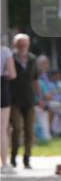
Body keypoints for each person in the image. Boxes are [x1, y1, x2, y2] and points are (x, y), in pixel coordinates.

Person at [9, 33, 40, 169]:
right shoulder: (10, 59)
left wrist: (39, 97)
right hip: (14, 99)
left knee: (29, 129)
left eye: (25, 44)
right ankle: (13, 156)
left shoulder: (33, 59)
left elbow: (35, 79)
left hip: (29, 99)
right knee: (17, 128)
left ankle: (27, 158)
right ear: (15, 45)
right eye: (20, 44)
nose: (22, 46)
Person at [1, 38, 15, 173]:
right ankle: (4, 164)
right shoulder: (5, 51)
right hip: (2, 87)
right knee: (2, 128)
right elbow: (12, 74)